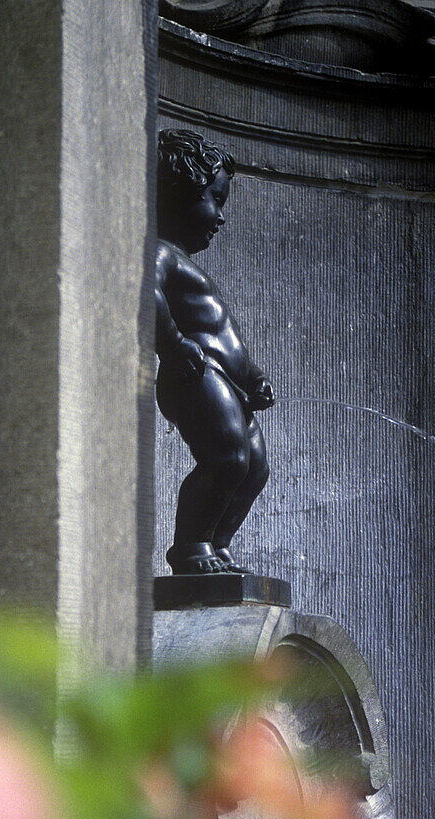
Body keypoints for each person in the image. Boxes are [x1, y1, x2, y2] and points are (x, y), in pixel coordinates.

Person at [156, 128, 274, 576]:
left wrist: (254, 375)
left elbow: (226, 333)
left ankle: (218, 546)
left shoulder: (185, 263)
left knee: (255, 467)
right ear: (178, 193)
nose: (220, 217)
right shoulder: (160, 253)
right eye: (215, 199)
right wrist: (172, 344)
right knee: (226, 458)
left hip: (225, 379)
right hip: (193, 372)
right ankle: (191, 546)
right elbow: (144, 295)